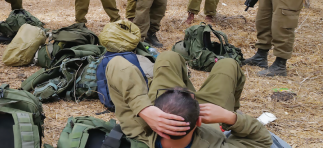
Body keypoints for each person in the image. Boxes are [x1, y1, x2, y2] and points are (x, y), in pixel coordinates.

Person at [105, 51, 272, 148]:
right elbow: (262, 139)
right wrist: (230, 117)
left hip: (184, 111)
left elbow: (116, 64)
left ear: (154, 114)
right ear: (198, 121)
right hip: (214, 114)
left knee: (168, 57)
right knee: (228, 64)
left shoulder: (139, 131)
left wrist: (143, 108)